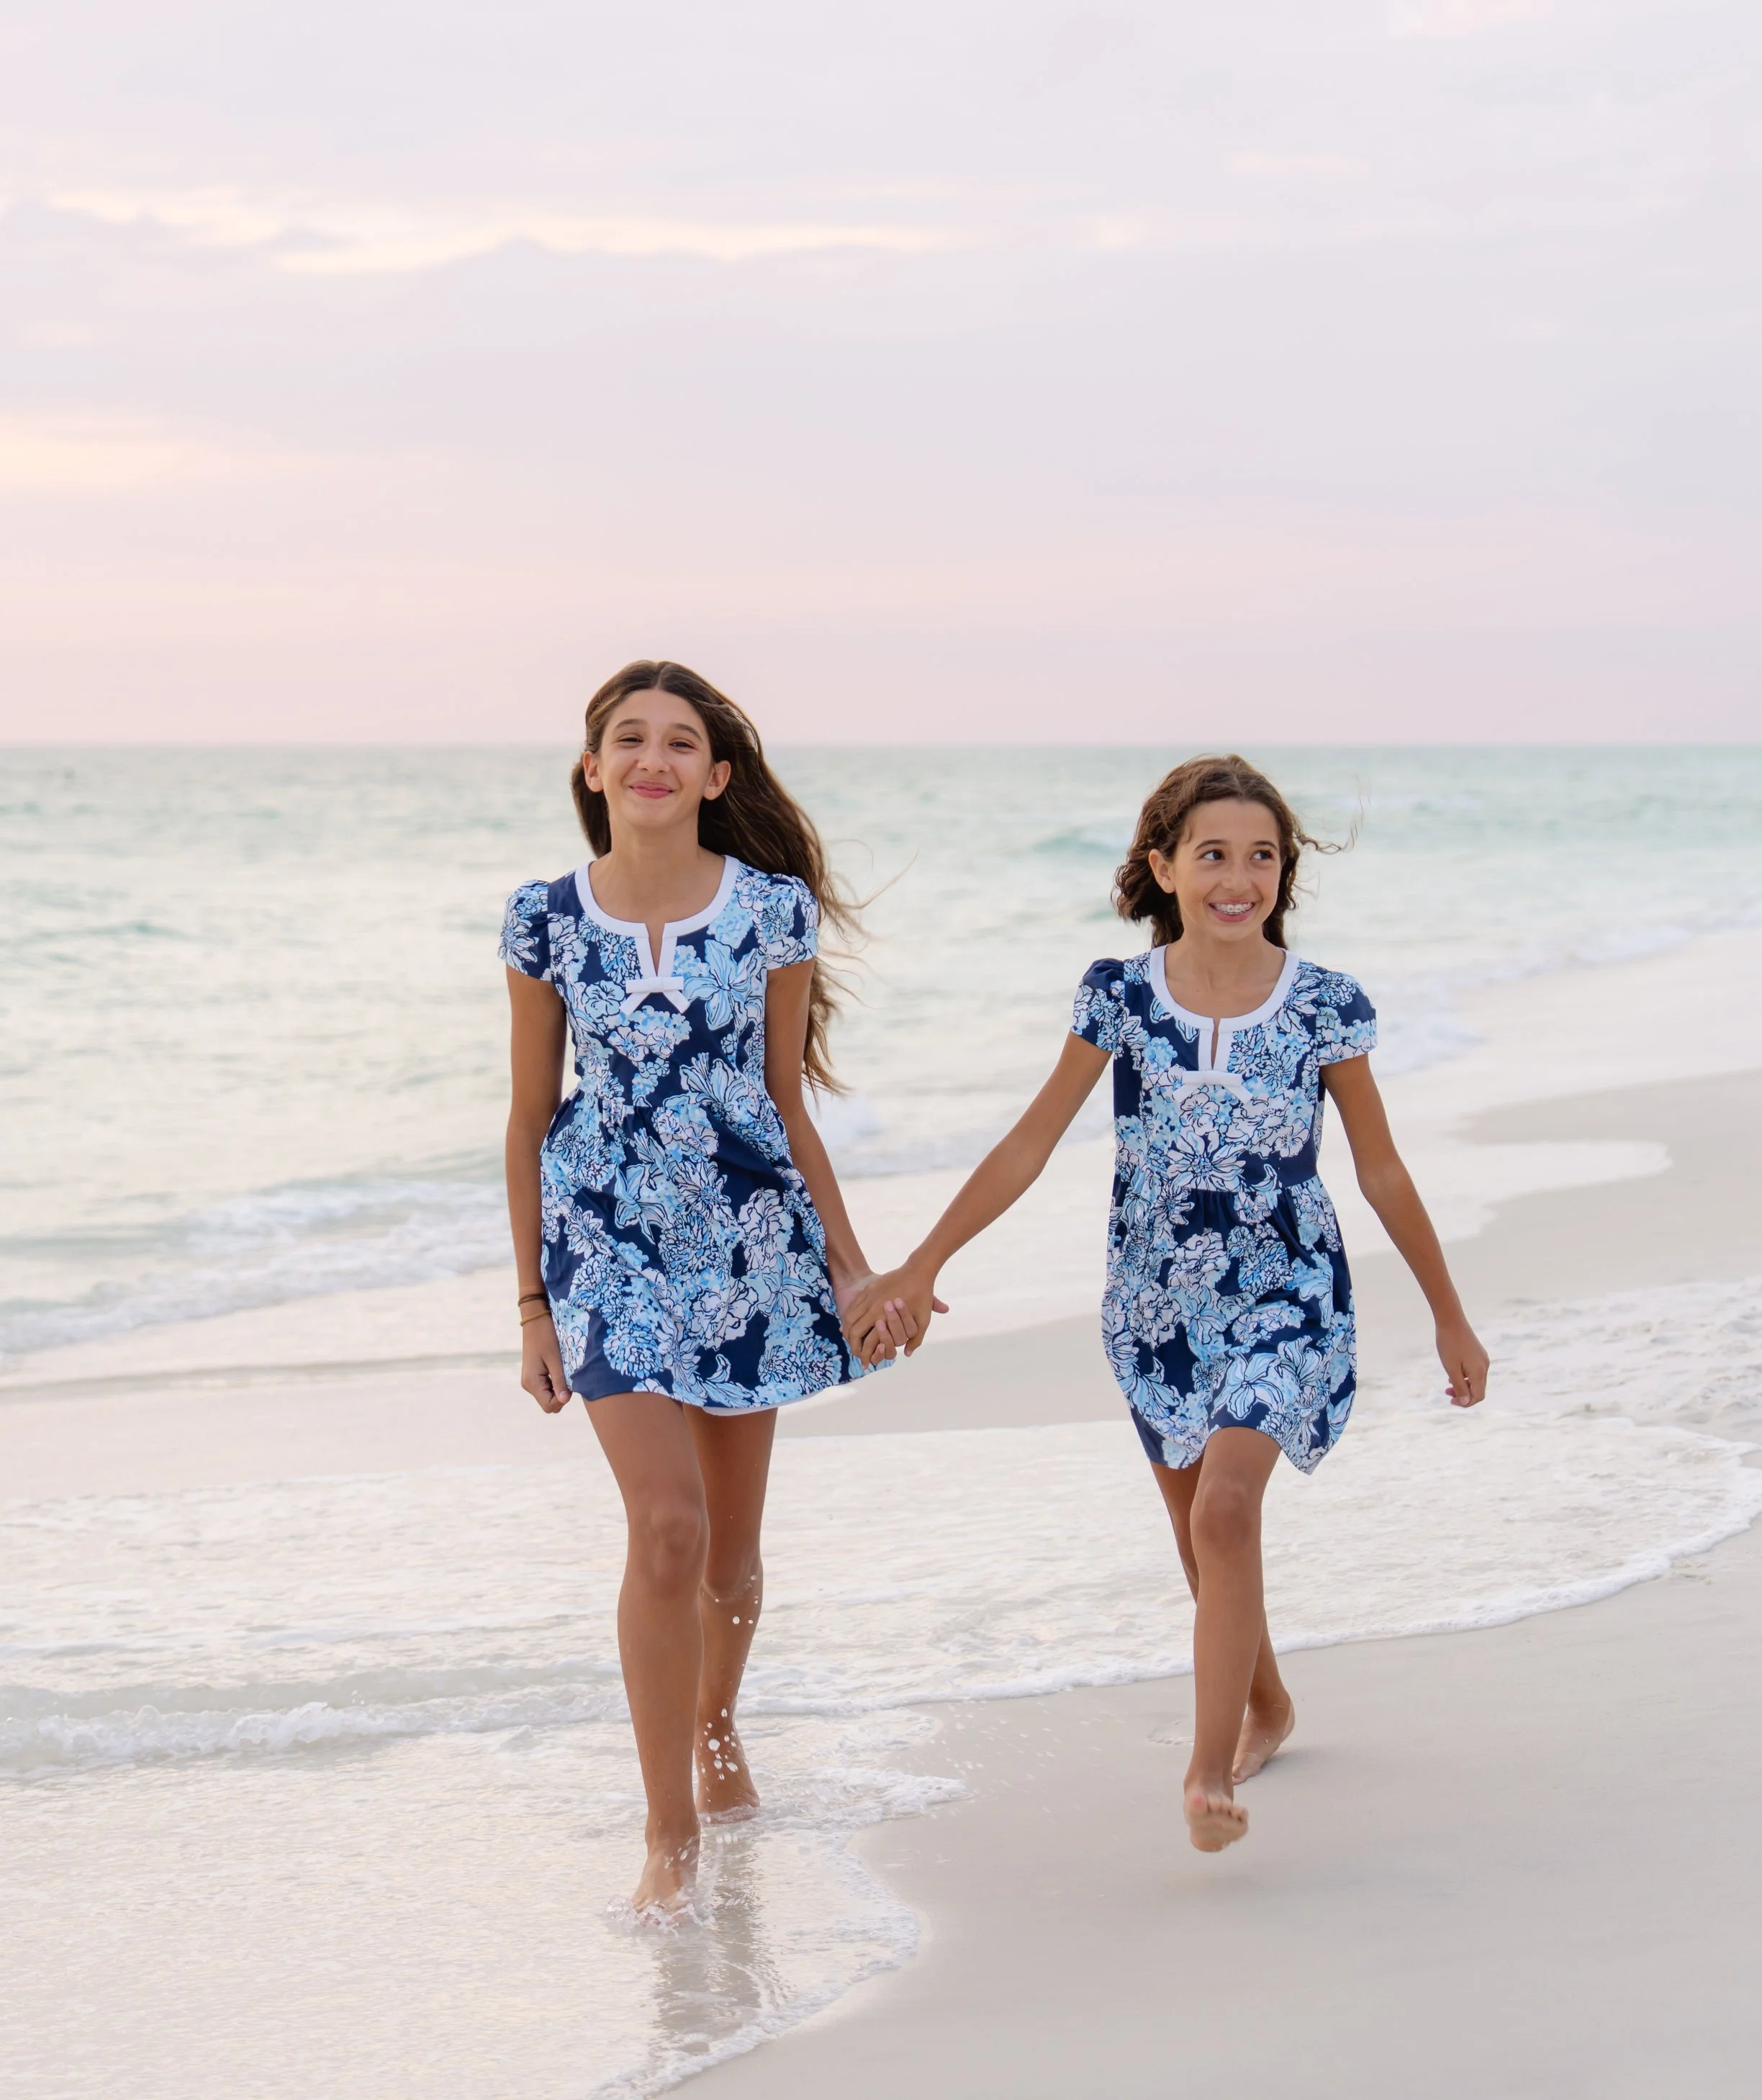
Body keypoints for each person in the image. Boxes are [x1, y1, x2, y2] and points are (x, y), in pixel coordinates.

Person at [846, 754, 1490, 1853]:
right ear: (1164, 867)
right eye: (1213, 856)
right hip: (1154, 1308)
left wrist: (1448, 1310)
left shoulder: (1324, 1005)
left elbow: (1379, 1169)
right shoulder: (1121, 998)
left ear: (1284, 873)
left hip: (1288, 1296)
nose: (1238, 878)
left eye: (1262, 857)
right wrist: (922, 1262)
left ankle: (1207, 1774)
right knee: (1205, 1543)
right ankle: (1270, 1703)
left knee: (1226, 1511)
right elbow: (1031, 1143)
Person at [501, 659, 916, 1914]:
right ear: (594, 770)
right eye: (628, 739)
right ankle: (667, 1834)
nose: (653, 760)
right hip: (605, 1246)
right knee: (668, 1528)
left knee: (732, 1555)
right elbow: (527, 1121)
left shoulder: (773, 912)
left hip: (748, 1249)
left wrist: (853, 1269)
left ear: (715, 777)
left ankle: (717, 1726)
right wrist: (531, 1305)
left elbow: (787, 1104)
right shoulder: (544, 917)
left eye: (680, 743)